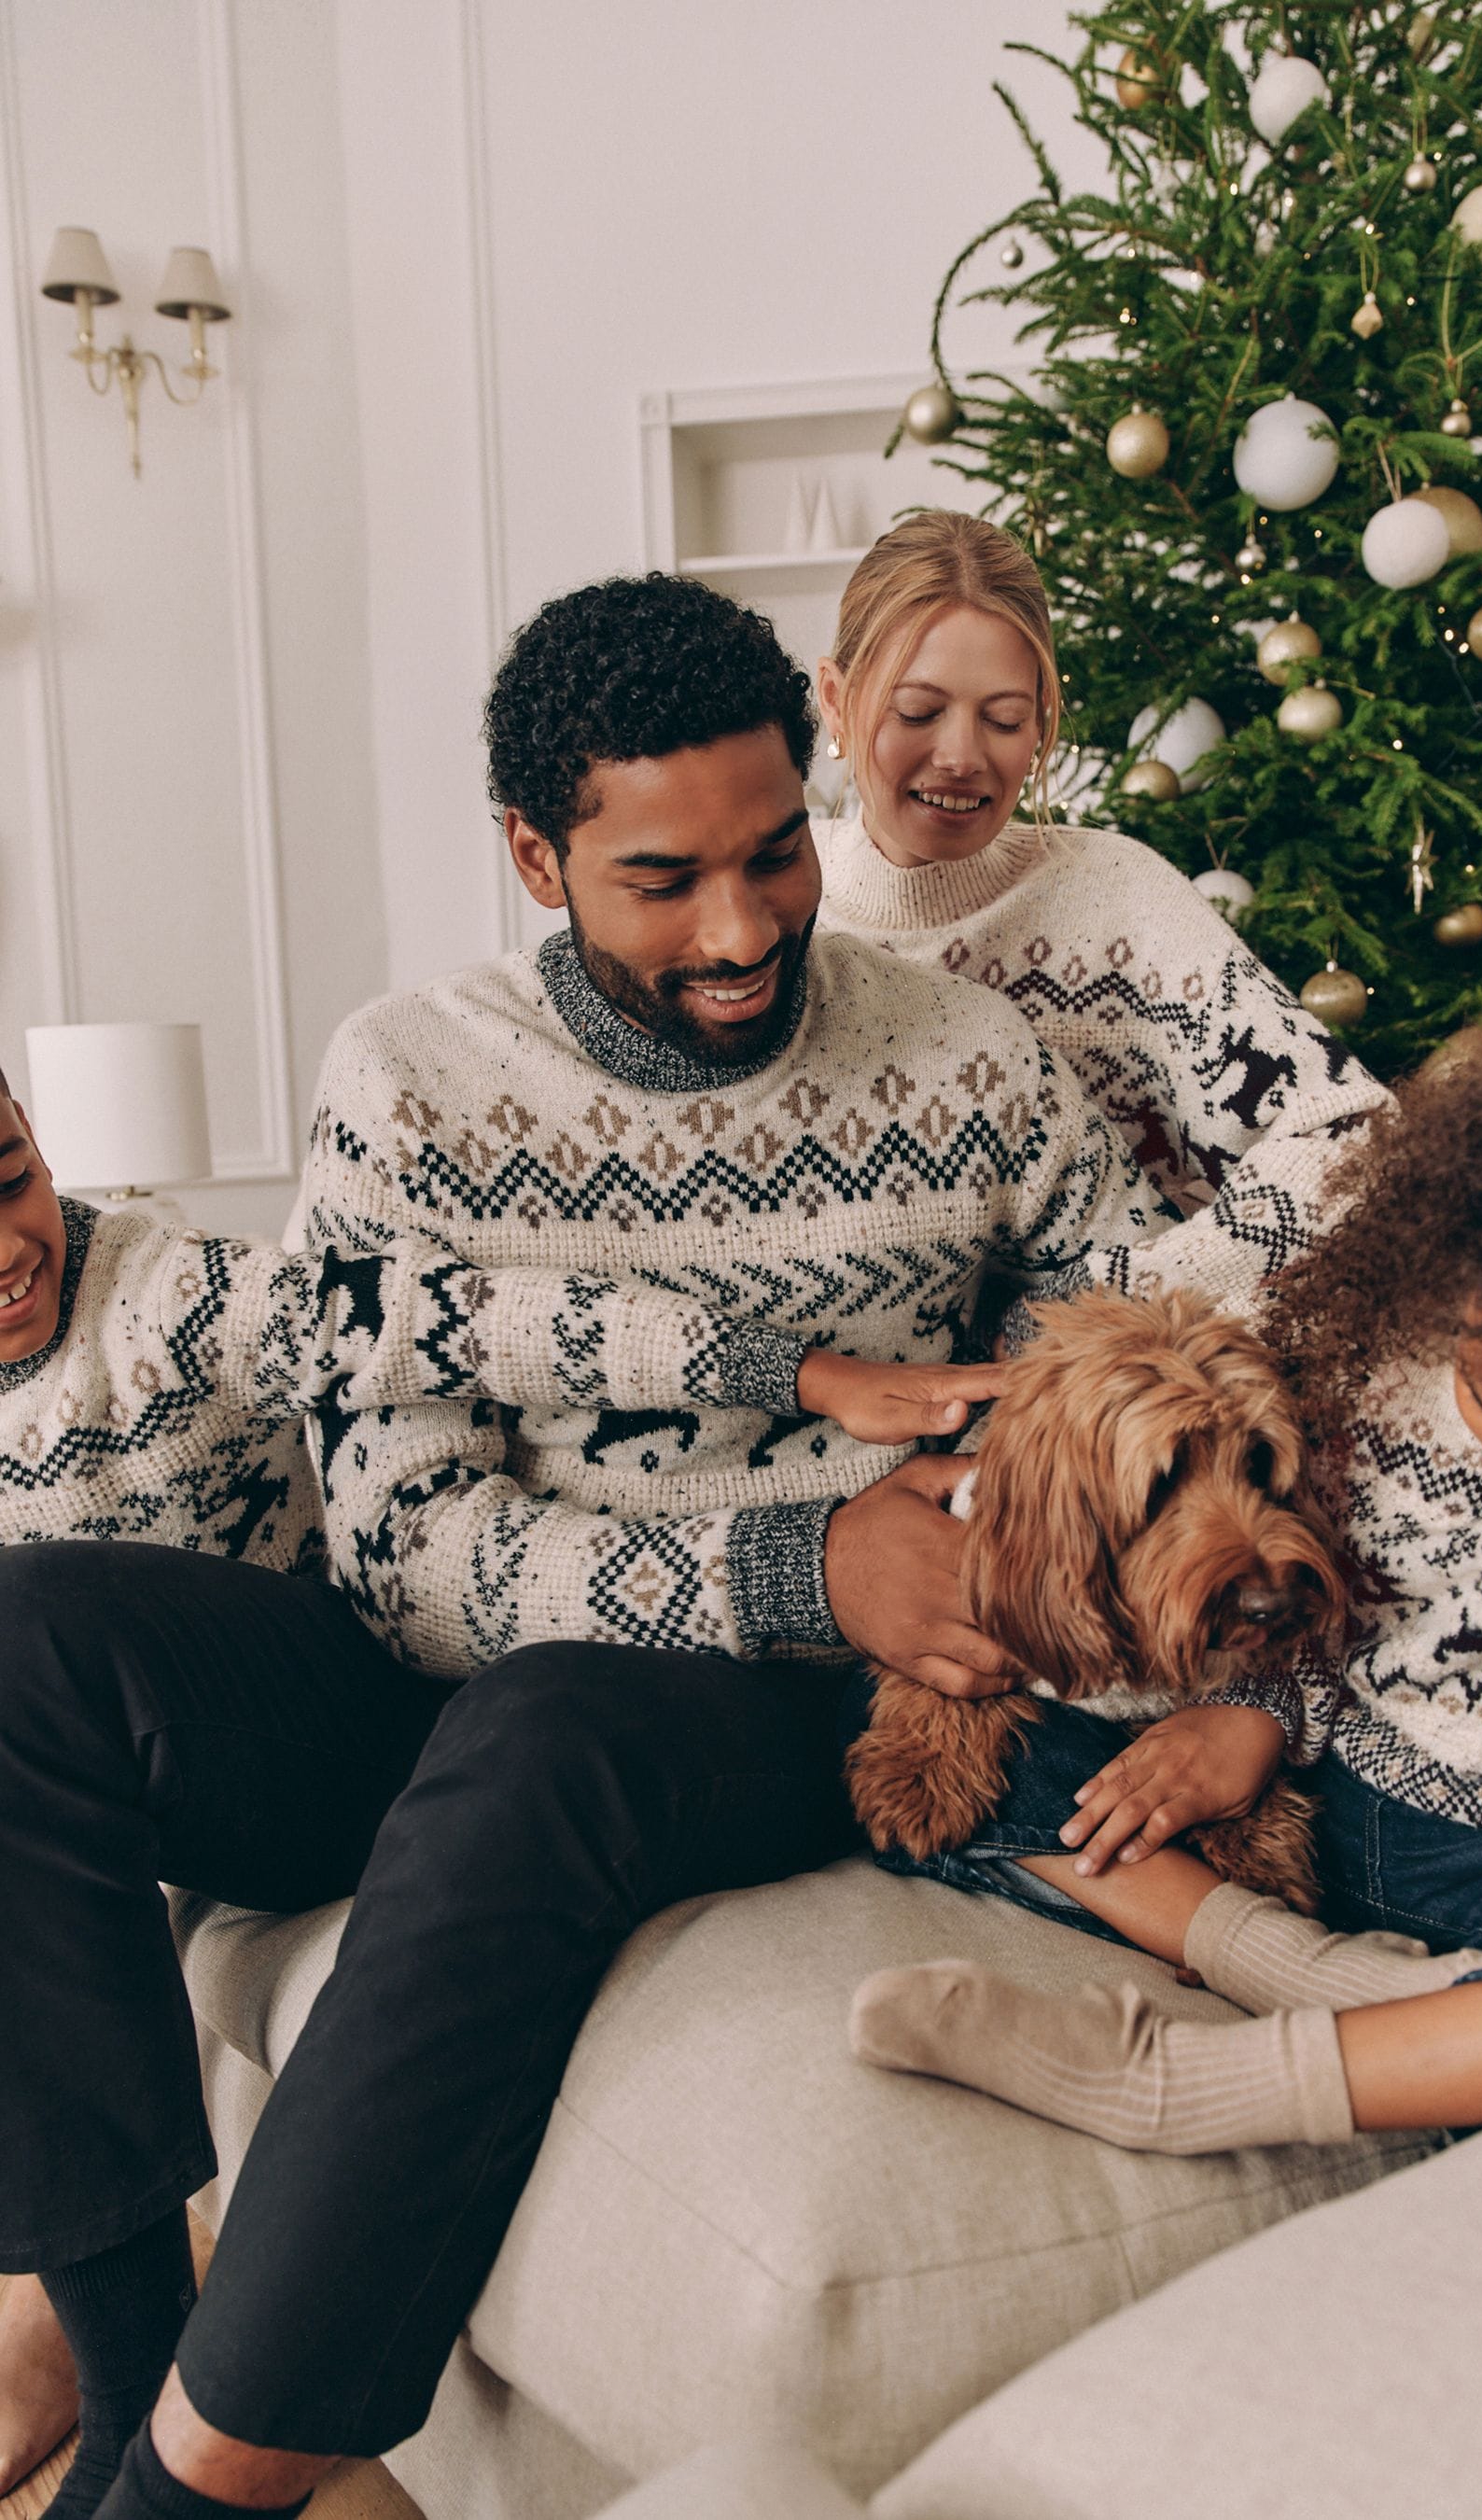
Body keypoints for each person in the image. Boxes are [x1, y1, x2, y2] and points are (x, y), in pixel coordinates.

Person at [10, 568, 1201, 2520]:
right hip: (461, 1671)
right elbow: (406, 1556)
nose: (741, 934)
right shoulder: (411, 1078)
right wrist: (796, 1556)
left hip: (759, 1718)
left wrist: (908, 1575)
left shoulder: (978, 1070)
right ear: (533, 854)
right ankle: (136, 2378)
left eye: (776, 854)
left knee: (554, 1722)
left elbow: (1092, 1409)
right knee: (26, 1640)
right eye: (664, 881)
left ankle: (181, 2505)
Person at [0, 1062, 1001, 2513]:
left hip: (339, 1726)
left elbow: (465, 1320)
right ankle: (112, 2367)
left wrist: (793, 1372)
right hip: (137, 1792)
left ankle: (155, 2434)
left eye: (11, 1177)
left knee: (17, 1631)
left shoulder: (161, 1296)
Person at [850, 1001, 1482, 2152]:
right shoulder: (1356, 1319)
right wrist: (1255, 1708)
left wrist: (1255, 1709)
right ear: (1470, 1293)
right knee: (940, 1699)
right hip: (1337, 1775)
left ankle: (1218, 2066)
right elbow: (1146, 1377)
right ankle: (1332, 1980)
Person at [812, 509, 1391, 1315]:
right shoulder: (767, 912)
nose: (962, 755)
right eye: (918, 711)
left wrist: (1099, 1302)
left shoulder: (1115, 895)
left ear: (1043, 723)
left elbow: (1357, 1142)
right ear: (835, 701)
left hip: (1135, 1377)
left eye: (1006, 718)